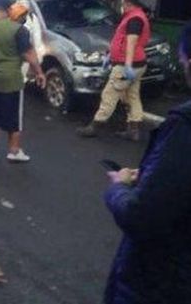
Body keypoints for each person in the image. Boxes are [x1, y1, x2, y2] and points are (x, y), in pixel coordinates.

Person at [103, 23, 191, 304]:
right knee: (133, 98)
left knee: (112, 99)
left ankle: (105, 122)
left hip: (162, 283)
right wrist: (156, 174)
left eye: (182, 62)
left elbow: (142, 216)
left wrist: (118, 189)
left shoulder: (185, 126)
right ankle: (132, 123)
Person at [0, 0, 46, 163]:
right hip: (11, 80)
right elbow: (28, 54)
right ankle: (14, 151)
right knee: (13, 117)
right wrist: (39, 72)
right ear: (9, 10)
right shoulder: (18, 29)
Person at [77, 0, 151, 141]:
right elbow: (122, 40)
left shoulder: (134, 19)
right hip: (138, 63)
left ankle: (95, 125)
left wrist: (127, 64)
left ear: (129, 4)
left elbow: (131, 42)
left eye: (123, 4)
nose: (121, 7)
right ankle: (134, 130)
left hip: (127, 65)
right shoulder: (137, 16)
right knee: (132, 96)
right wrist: (111, 54)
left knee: (109, 94)